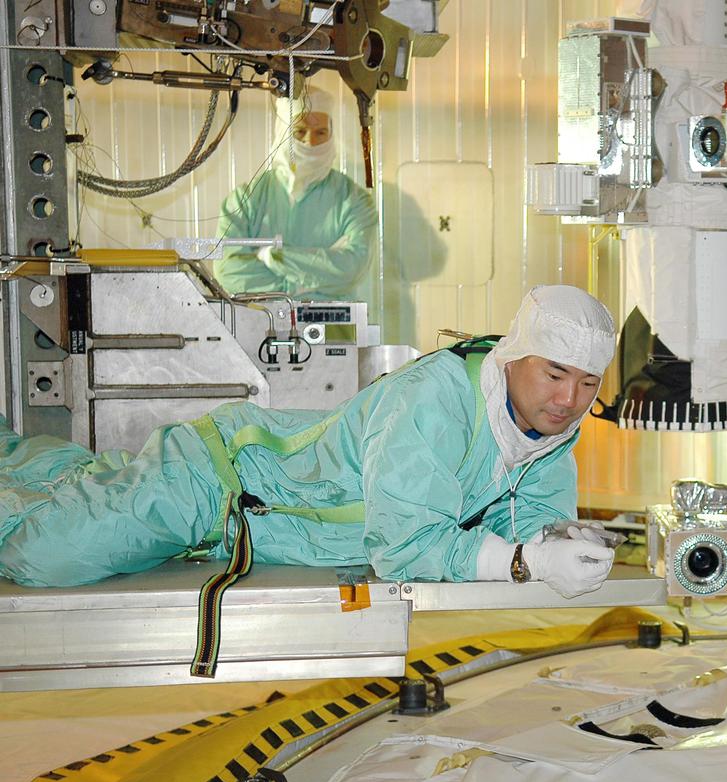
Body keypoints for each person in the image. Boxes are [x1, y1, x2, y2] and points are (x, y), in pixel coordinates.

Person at [0, 285, 618, 602]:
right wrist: (522, 563)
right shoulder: (435, 402)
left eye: (587, 384)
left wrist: (556, 539)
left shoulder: (543, 432)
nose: (568, 401)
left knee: (94, 494)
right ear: (513, 358)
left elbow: (531, 513)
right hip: (218, 483)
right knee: (45, 555)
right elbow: (404, 550)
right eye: (555, 375)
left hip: (256, 527)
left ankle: (69, 475)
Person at [214, 89, 377, 301]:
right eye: (299, 131)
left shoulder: (355, 200)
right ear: (283, 132)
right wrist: (300, 284)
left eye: (320, 132)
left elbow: (352, 269)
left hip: (332, 331)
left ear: (331, 134)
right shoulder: (244, 200)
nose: (310, 142)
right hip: (260, 327)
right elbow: (227, 271)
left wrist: (273, 256)